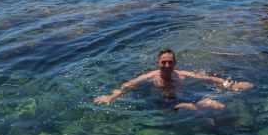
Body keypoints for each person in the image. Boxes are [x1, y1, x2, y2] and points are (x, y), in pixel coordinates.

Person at [93, 48, 253, 110]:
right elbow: (128, 85)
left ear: (175, 63)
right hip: (161, 104)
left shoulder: (182, 74)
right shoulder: (150, 76)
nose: (167, 65)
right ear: (158, 63)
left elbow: (207, 78)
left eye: (170, 62)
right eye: (164, 62)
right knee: (196, 110)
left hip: (182, 98)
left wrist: (230, 84)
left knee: (218, 105)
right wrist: (111, 96)